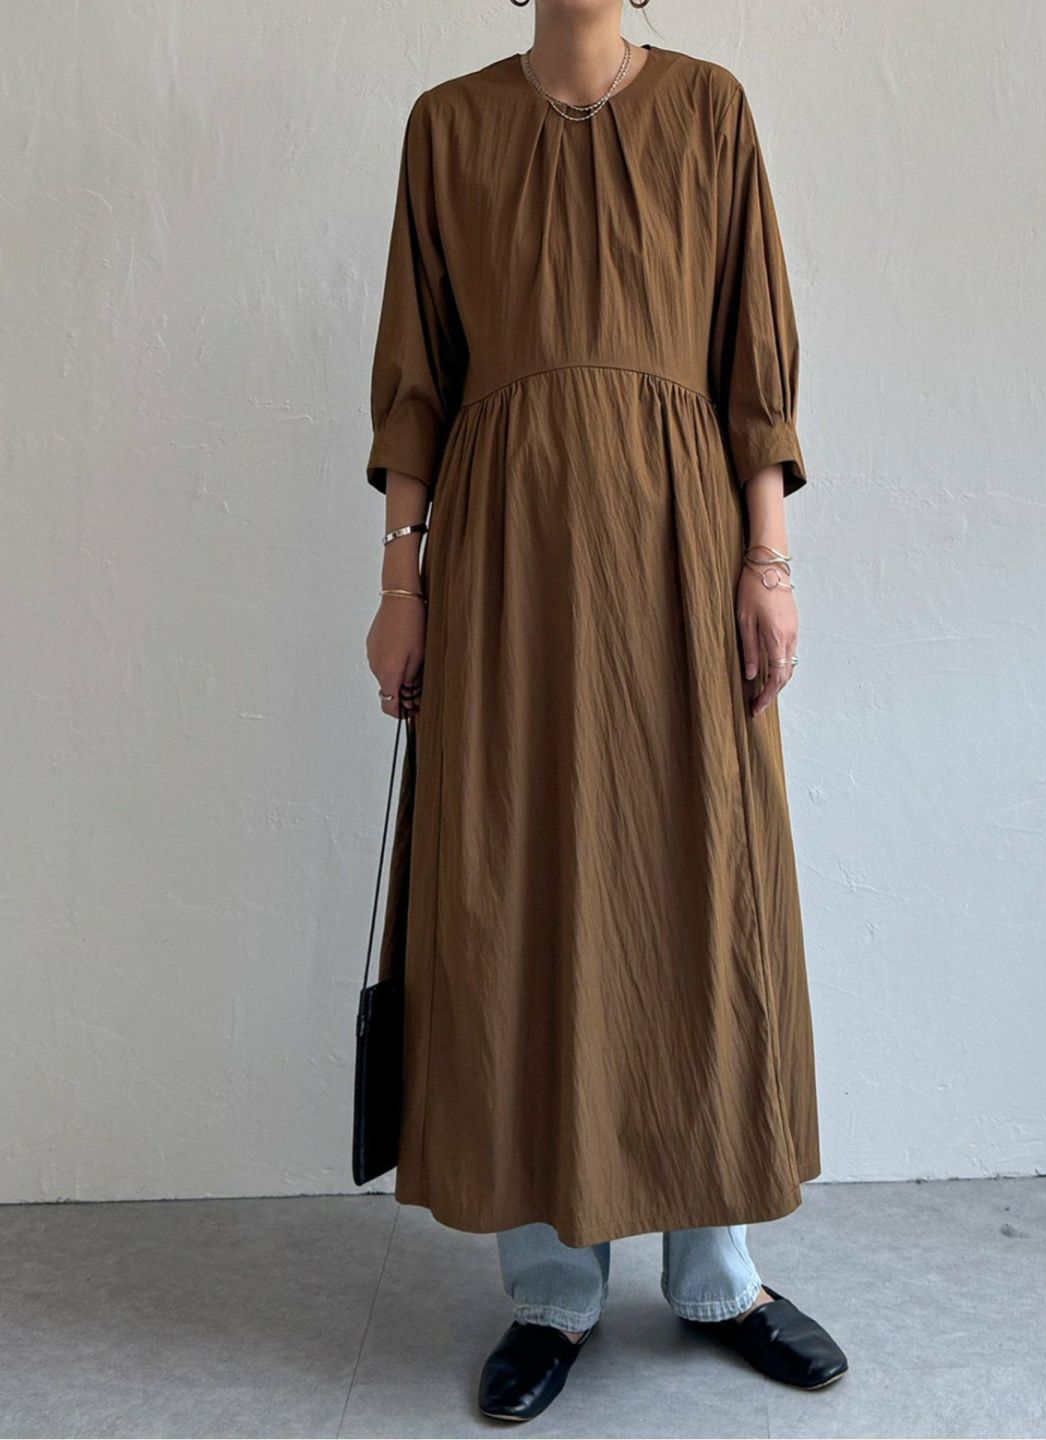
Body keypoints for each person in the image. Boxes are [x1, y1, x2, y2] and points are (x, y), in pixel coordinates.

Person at [364, 0, 847, 1421]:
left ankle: (719, 1276)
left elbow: (753, 364)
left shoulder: (709, 108)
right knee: (515, 895)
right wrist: (401, 583)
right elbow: (416, 381)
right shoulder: (449, 127)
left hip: (680, 558)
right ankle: (551, 1291)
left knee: (696, 882)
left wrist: (769, 564)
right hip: (505, 569)